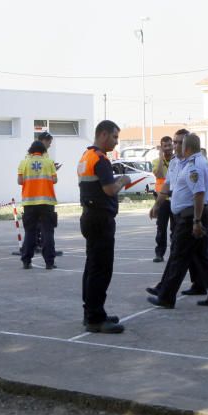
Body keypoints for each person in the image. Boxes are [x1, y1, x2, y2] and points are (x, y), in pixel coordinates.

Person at [146, 133, 208, 308]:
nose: (175, 146)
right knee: (201, 257)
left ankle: (166, 297)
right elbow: (167, 185)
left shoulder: (194, 165)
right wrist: (157, 205)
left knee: (178, 257)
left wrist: (197, 222)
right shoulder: (183, 162)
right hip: (188, 215)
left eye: (179, 143)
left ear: (186, 147)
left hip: (191, 217)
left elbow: (199, 193)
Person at [78, 120, 131, 333]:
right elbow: (109, 190)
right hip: (101, 219)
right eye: (115, 137)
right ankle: (95, 318)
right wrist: (124, 180)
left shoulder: (86, 157)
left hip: (90, 216)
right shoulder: (100, 159)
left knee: (92, 267)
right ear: (102, 135)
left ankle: (91, 311)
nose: (116, 142)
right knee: (101, 269)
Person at [18, 140, 58, 269]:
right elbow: (54, 180)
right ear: (43, 151)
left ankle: (26, 261)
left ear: (31, 150)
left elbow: (20, 181)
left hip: (29, 203)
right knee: (48, 232)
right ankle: (49, 262)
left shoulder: (24, 163)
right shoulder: (49, 162)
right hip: (46, 202)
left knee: (30, 232)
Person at [151, 136, 176, 263]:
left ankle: (174, 253)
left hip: (175, 198)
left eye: (169, 145)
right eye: (165, 146)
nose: (168, 149)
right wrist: (161, 157)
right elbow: (160, 174)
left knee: (175, 228)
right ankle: (159, 253)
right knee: (161, 228)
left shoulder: (177, 160)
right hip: (162, 199)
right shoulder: (156, 161)